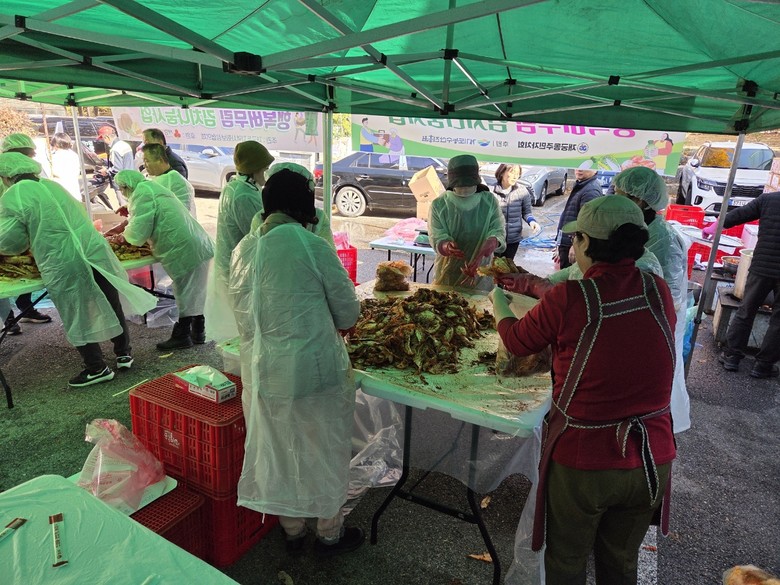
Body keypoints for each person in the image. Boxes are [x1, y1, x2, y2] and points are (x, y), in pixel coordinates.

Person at [490, 195, 676, 584]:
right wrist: (539, 288)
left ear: (587, 242)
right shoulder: (656, 288)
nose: (573, 246)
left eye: (577, 239)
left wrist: (499, 304)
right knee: (621, 563)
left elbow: (517, 341)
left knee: (567, 562)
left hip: (586, 460)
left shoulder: (569, 298)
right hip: (651, 456)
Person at [230, 167, 363, 557]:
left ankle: (292, 531)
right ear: (303, 207)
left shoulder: (244, 249)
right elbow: (348, 313)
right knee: (323, 450)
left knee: (278, 451)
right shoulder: (310, 245)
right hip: (311, 372)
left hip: (260, 373)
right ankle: (329, 534)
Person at [0, 153, 157, 387]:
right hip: (93, 249)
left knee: (76, 310)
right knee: (110, 301)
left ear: (6, 176)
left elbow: (11, 241)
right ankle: (124, 353)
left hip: (62, 258)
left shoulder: (15, 194)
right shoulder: (52, 186)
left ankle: (96, 368)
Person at [612, 166, 691, 432]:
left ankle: (649, 433)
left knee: (651, 388)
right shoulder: (636, 227)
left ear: (639, 200)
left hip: (655, 324)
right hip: (634, 319)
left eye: (619, 194)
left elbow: (670, 297)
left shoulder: (662, 238)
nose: (615, 199)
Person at [109, 170, 213, 350]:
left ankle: (182, 336)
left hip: (184, 248)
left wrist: (119, 238)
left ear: (128, 186)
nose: (122, 192)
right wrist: (128, 216)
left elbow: (138, 230)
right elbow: (146, 214)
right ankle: (198, 332)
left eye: (122, 188)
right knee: (194, 291)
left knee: (186, 292)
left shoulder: (142, 193)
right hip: (195, 244)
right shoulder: (150, 188)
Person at [704, 190, 780, 378]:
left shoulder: (769, 199)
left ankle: (732, 356)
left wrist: (716, 226)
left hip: (762, 266)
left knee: (746, 310)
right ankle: (763, 366)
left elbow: (739, 214)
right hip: (766, 266)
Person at [205, 140, 274, 342]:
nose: (267, 173)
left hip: (232, 264)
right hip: (238, 267)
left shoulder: (237, 187)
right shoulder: (244, 195)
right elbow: (258, 233)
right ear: (254, 169)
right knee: (243, 329)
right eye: (265, 168)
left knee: (240, 327)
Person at [1, 133, 55, 329]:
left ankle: (25, 307)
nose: (29, 159)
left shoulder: (32, 173)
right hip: (6, 233)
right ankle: (7, 318)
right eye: (26, 154)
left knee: (27, 269)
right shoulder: (5, 175)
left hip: (27, 232)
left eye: (30, 155)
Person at [428, 154, 506, 290]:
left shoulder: (489, 202)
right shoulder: (439, 205)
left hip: (480, 271)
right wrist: (446, 246)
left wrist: (492, 242)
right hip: (448, 273)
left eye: (468, 185)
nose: (464, 189)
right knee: (445, 301)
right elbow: (436, 236)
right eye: (460, 185)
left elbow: (498, 230)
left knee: (481, 302)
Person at [555, 160, 602, 269]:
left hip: (574, 245)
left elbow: (588, 222)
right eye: (577, 164)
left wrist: (575, 246)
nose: (579, 169)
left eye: (585, 166)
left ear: (595, 169)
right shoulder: (582, 185)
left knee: (569, 276)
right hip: (569, 242)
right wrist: (559, 241)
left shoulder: (591, 190)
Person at [490, 164, 541, 260]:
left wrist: (532, 221)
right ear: (502, 173)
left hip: (513, 239)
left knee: (508, 265)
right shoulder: (490, 192)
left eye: (517, 174)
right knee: (493, 265)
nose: (515, 176)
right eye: (512, 172)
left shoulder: (522, 191)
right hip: (494, 238)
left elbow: (527, 212)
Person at [141, 143, 196, 216]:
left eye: (147, 161)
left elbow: (181, 213)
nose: (144, 165)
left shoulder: (176, 181)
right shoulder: (153, 178)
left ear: (160, 160)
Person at [97, 126, 134, 205]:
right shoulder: (124, 144)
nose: (103, 141)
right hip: (130, 180)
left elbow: (117, 169)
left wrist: (106, 171)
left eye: (103, 139)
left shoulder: (115, 149)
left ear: (107, 137)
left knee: (124, 207)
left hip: (121, 184)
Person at [49, 132, 82, 201]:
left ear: (56, 144)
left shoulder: (56, 156)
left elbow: (54, 172)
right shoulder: (73, 155)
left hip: (61, 192)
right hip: (74, 192)